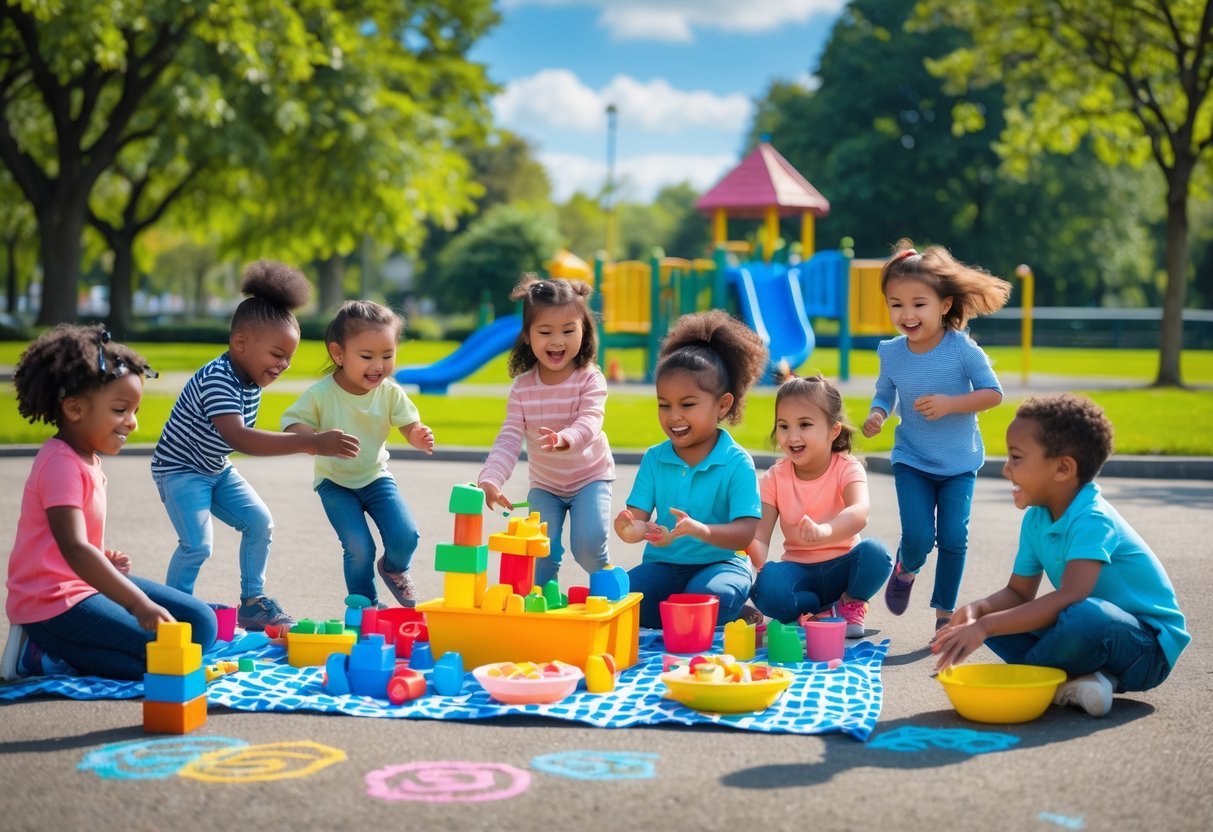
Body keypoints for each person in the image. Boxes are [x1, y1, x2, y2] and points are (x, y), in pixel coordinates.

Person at [933, 394, 1190, 717]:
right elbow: (1018, 592)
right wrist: (976, 612)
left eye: (1016, 458)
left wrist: (986, 627)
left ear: (1063, 468)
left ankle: (1041, 680)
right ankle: (1081, 683)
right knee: (993, 622)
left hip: (1145, 651)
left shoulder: (1092, 518)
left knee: (1082, 615)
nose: (1006, 470)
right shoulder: (1037, 518)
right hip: (1086, 631)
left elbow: (1072, 597)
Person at [151, 260, 359, 631]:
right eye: (277, 355)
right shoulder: (219, 378)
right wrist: (308, 441)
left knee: (260, 522)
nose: (283, 365)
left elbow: (236, 440)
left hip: (213, 467)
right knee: (197, 545)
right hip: (180, 470)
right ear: (240, 342)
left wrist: (308, 440)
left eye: (289, 358)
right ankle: (171, 612)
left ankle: (252, 602)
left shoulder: (249, 379)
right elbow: (240, 438)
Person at [2, 325, 217, 681]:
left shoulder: (87, 457)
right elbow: (74, 548)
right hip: (50, 605)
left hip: (81, 587)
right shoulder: (60, 462)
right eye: (120, 409)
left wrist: (103, 559)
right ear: (74, 408)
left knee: (202, 625)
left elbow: (75, 547)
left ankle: (69, 651)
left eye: (134, 410)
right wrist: (137, 603)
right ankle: (40, 655)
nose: (132, 423)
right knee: (161, 659)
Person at [861, 239, 1011, 638]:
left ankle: (944, 614)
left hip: (959, 463)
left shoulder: (962, 349)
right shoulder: (891, 352)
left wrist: (950, 404)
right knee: (918, 538)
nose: (906, 314)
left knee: (952, 538)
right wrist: (878, 413)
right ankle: (906, 568)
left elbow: (993, 394)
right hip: (911, 458)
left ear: (944, 305)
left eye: (918, 304)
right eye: (896, 304)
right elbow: (884, 393)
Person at [614, 310, 767, 629]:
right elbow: (638, 521)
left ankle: (724, 609)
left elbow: (745, 532)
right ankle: (706, 616)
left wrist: (702, 530)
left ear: (722, 405)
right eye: (664, 404)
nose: (673, 416)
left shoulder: (736, 462)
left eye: (687, 405)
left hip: (722, 565)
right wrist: (629, 530)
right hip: (664, 565)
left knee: (704, 600)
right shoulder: (655, 458)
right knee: (621, 602)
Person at [283, 300, 434, 608]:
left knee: (407, 535)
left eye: (387, 355)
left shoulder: (390, 391)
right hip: (334, 483)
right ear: (338, 354)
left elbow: (409, 424)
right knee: (358, 547)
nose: (378, 365)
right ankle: (366, 606)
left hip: (375, 477)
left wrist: (417, 435)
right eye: (367, 356)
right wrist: (315, 439)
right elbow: (292, 426)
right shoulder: (322, 394)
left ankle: (393, 568)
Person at [477, 275, 616, 588]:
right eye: (545, 332)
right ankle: (541, 606)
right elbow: (509, 437)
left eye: (569, 331)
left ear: (584, 330)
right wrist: (491, 478)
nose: (557, 341)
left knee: (588, 548)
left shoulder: (589, 379)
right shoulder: (523, 388)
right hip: (546, 486)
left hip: (590, 478)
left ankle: (609, 589)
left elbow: (591, 420)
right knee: (540, 552)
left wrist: (566, 438)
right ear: (528, 336)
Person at [748, 375, 892, 637]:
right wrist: (745, 546)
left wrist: (826, 530)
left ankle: (850, 603)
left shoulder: (848, 468)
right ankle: (815, 610)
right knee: (765, 587)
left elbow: (859, 513)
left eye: (804, 425)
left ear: (833, 430)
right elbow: (760, 536)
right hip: (799, 572)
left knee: (877, 554)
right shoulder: (774, 477)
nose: (792, 436)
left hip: (844, 567)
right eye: (783, 426)